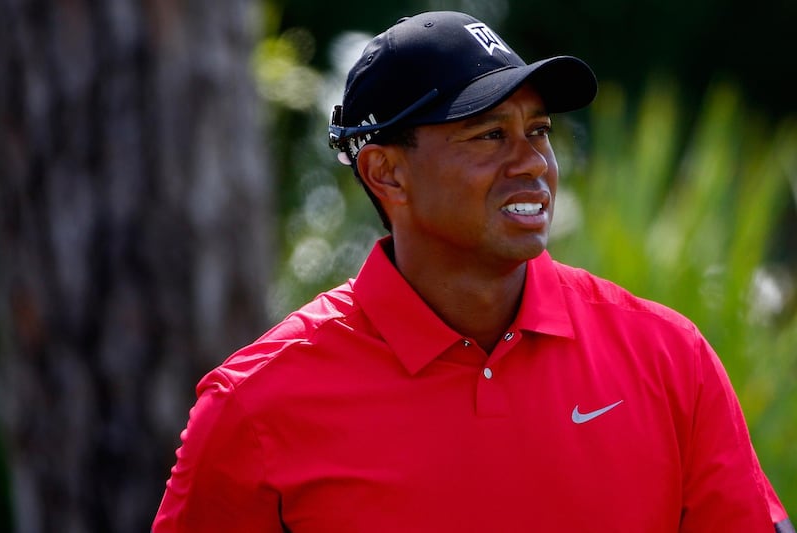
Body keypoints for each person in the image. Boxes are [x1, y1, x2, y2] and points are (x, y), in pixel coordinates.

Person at [153, 10, 793, 532]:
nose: (533, 163)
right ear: (386, 172)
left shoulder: (667, 358)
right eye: (489, 135)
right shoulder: (256, 406)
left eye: (537, 131)